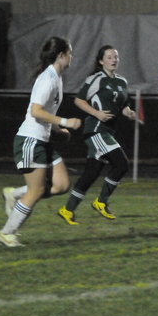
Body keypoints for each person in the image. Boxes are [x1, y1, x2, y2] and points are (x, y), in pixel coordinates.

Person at [0, 37, 82, 247]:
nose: (72, 57)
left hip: (43, 140)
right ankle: (7, 233)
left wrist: (58, 130)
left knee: (61, 185)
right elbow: (36, 111)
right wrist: (65, 121)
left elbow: (45, 112)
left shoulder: (57, 78)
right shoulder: (48, 79)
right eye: (70, 53)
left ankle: (15, 194)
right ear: (61, 55)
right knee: (35, 191)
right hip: (30, 140)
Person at [56, 45, 137, 225]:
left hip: (108, 131)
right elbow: (79, 100)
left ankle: (67, 210)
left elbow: (123, 105)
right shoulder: (97, 78)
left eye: (116, 57)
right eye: (109, 57)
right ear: (101, 61)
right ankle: (101, 202)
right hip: (96, 130)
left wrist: (129, 112)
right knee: (121, 164)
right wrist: (96, 113)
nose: (114, 60)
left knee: (91, 173)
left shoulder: (122, 81)